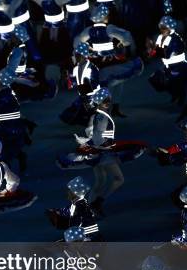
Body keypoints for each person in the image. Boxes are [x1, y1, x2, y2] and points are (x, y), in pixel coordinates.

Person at [74, 87, 124, 216]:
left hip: (95, 153)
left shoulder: (97, 115)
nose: (108, 102)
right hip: (103, 153)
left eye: (108, 100)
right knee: (118, 179)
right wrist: (108, 147)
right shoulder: (102, 116)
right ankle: (97, 203)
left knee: (100, 181)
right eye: (106, 100)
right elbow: (97, 138)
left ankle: (90, 209)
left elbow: (93, 135)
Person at [147, 16, 187, 105]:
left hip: (178, 67)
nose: (161, 30)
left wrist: (153, 51)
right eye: (161, 27)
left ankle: (181, 95)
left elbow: (166, 54)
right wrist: (151, 51)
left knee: (174, 81)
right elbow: (156, 50)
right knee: (154, 79)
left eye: (163, 28)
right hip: (168, 66)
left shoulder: (175, 39)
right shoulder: (160, 37)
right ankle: (174, 93)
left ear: (169, 28)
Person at [46, 176, 100, 240]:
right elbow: (67, 210)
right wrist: (57, 211)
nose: (67, 192)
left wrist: (81, 236)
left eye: (69, 190)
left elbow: (89, 225)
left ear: (75, 193)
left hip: (87, 238)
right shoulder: (76, 204)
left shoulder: (82, 206)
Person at [60, 42, 99, 126]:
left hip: (91, 96)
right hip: (82, 96)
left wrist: (87, 89)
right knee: (69, 114)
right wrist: (68, 79)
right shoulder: (76, 69)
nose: (76, 57)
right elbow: (73, 82)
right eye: (76, 55)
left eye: (78, 55)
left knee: (88, 111)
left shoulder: (91, 67)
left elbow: (95, 83)